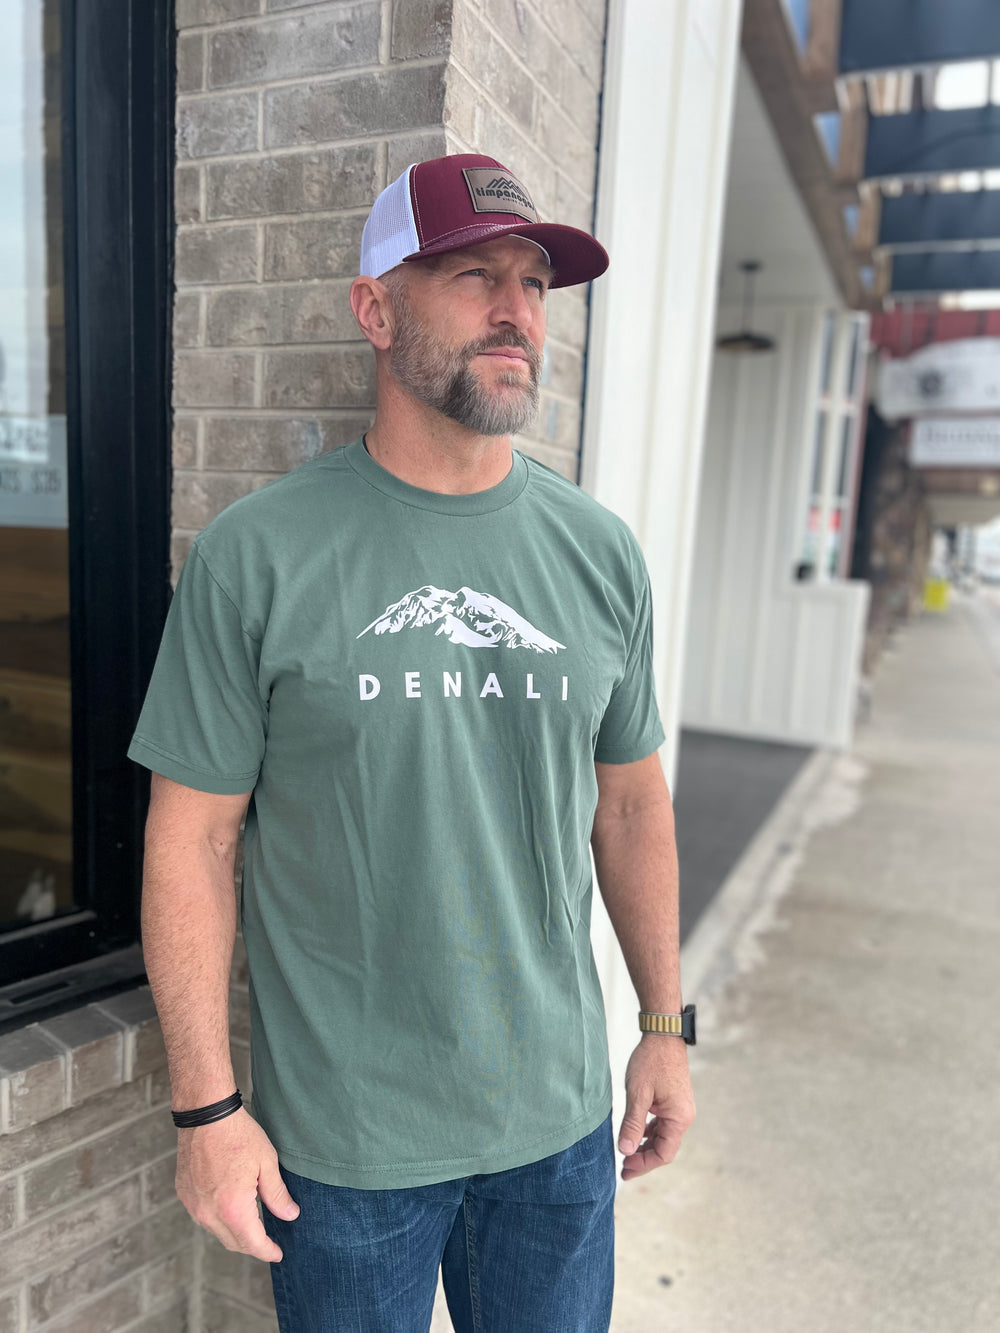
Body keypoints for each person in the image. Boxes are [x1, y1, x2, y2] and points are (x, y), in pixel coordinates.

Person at [130, 153, 695, 1333]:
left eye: (535, 283)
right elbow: (191, 840)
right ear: (374, 307)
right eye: (471, 274)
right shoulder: (260, 553)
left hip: (554, 1128)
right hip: (344, 1147)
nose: (516, 311)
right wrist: (206, 1111)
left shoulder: (597, 553)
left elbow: (633, 806)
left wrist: (663, 1028)